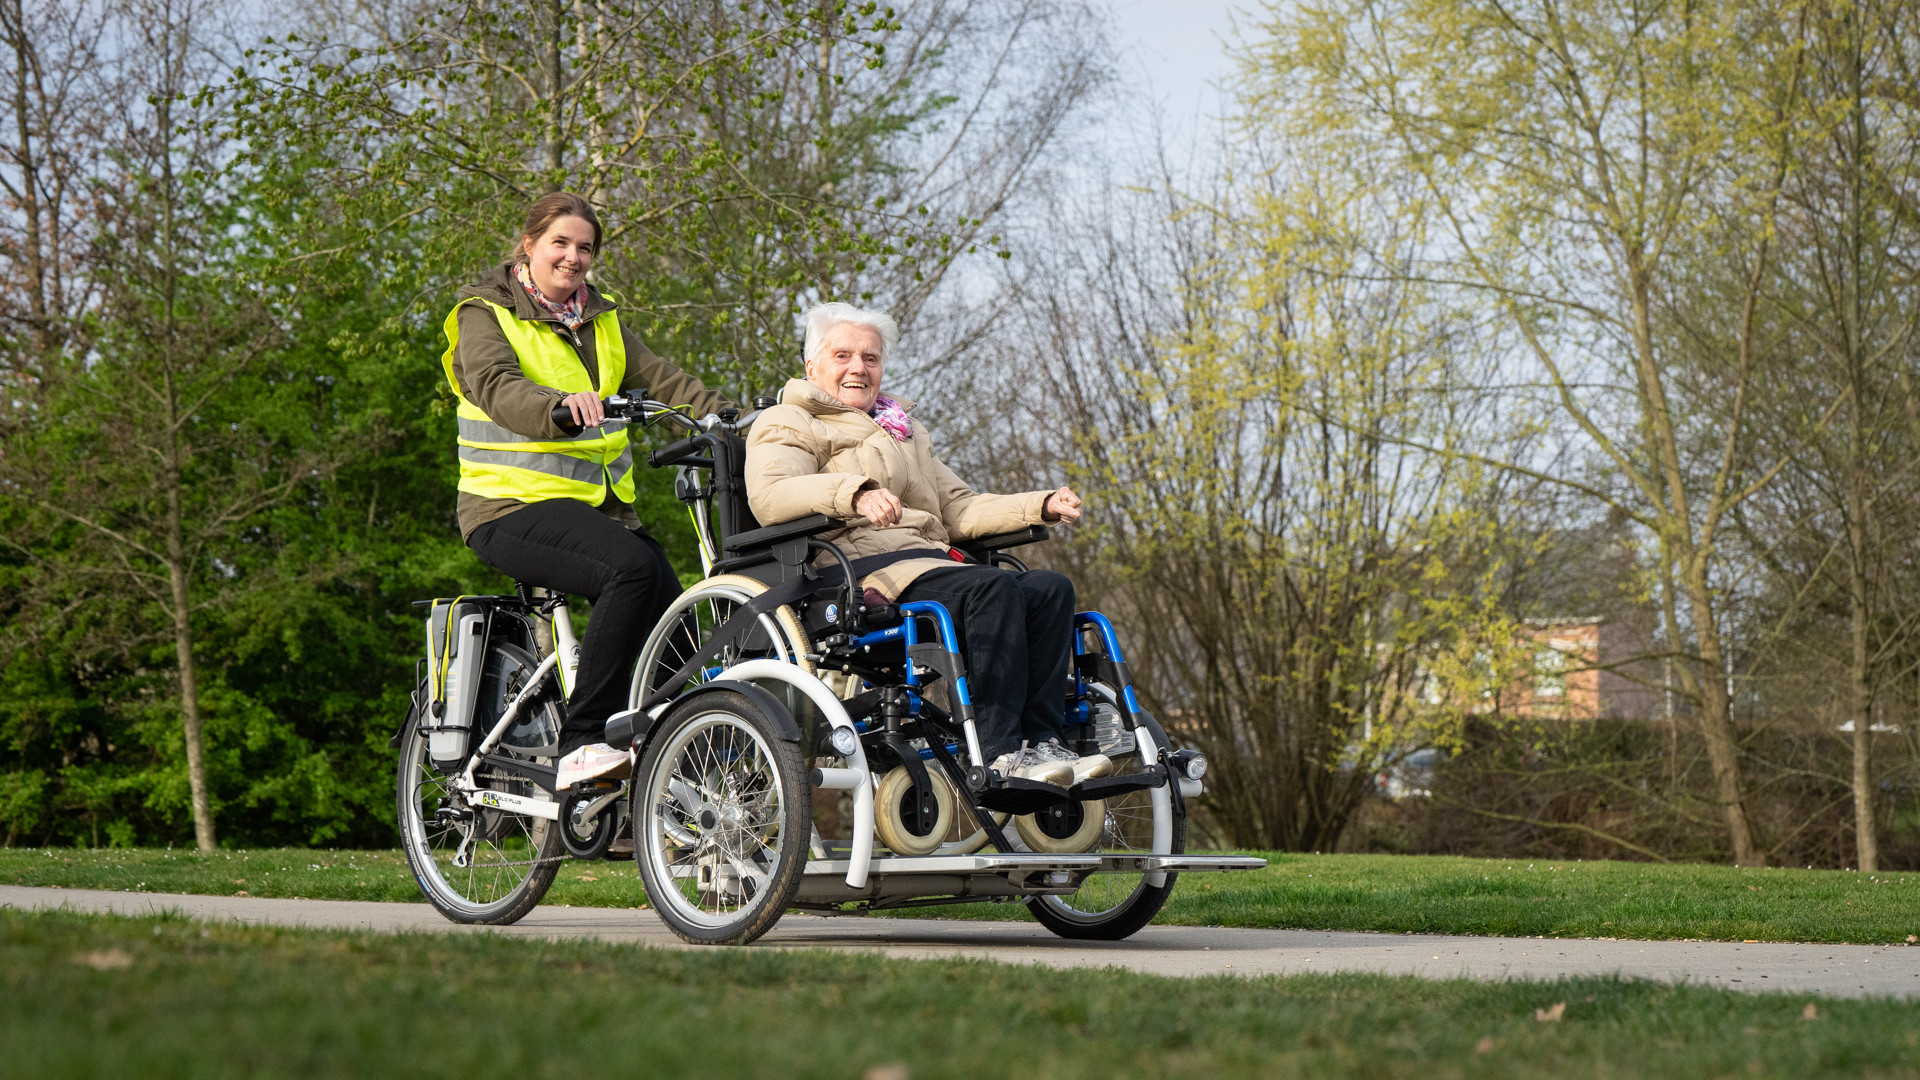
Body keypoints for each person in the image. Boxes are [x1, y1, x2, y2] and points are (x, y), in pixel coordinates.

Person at [744, 302, 1108, 786]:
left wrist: (1038, 505)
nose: (858, 368)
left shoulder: (902, 432)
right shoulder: (788, 420)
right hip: (859, 570)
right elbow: (772, 495)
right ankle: (1001, 755)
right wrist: (854, 492)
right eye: (843, 356)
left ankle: (1043, 744)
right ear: (812, 367)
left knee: (1048, 589)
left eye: (870, 358)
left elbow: (957, 508)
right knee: (992, 588)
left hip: (931, 563)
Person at [442, 192, 731, 790]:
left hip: (599, 515)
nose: (573, 257)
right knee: (630, 571)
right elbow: (498, 385)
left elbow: (666, 382)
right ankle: (582, 742)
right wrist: (558, 406)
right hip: (507, 508)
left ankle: (675, 771)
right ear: (529, 245)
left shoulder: (601, 321)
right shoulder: (484, 313)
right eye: (561, 243)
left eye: (585, 248)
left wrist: (736, 422)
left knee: (673, 623)